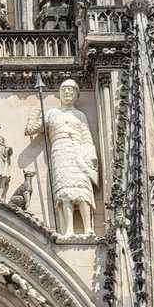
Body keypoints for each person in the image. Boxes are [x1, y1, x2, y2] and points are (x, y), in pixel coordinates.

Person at [25, 78, 99, 236]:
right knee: (64, 192)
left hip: (79, 152)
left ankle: (88, 229)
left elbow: (87, 137)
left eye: (71, 90)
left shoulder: (80, 115)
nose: (67, 93)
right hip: (60, 151)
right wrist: (36, 111)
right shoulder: (52, 113)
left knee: (83, 191)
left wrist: (91, 154)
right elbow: (31, 130)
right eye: (64, 90)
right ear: (59, 94)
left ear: (76, 95)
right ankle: (69, 230)